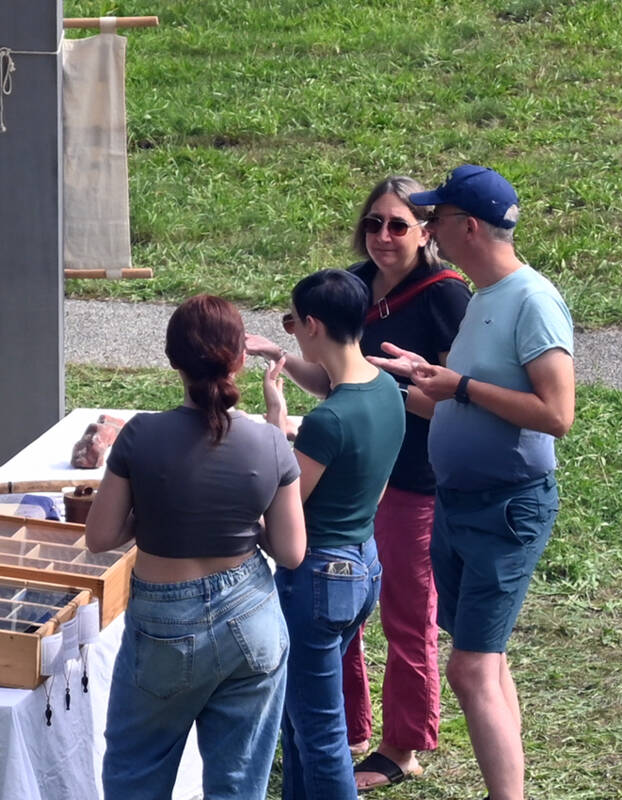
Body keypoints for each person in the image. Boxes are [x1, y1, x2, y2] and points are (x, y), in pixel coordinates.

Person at [247, 176, 471, 790]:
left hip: (412, 477)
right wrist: (280, 355)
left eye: (398, 224)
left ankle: (403, 745)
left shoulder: (446, 296)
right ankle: (345, 729)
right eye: (373, 223)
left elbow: (454, 401)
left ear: (426, 232)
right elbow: (336, 378)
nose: (383, 236)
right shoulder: (353, 286)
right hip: (358, 474)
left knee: (407, 616)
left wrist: (370, 406)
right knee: (341, 620)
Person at [369, 165, 575, 800]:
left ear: (469, 227)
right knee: (486, 660)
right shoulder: (485, 297)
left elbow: (557, 414)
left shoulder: (532, 300)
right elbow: (468, 400)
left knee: (471, 668)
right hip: (461, 504)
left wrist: (459, 385)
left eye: (435, 218)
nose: (427, 229)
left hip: (504, 508)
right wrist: (419, 379)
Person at [85, 295, 306, 800]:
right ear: (241, 359)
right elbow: (291, 551)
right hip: (252, 616)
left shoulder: (139, 435)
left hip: (164, 621)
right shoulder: (270, 443)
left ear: (172, 359)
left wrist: (152, 513)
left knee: (136, 776)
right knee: (238, 786)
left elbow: (99, 537)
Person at [260, 269, 406, 800]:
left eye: (293, 322)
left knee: (320, 735)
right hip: (363, 567)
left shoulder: (329, 421)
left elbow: (280, 507)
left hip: (318, 579)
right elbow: (375, 486)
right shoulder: (387, 390)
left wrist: (275, 418)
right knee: (301, 719)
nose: (294, 332)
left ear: (314, 325)